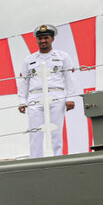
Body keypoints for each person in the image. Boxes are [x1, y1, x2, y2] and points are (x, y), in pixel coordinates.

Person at [19, 24, 78, 159]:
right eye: (40, 38)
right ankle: (36, 159)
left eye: (46, 38)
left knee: (56, 130)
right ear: (37, 40)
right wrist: (22, 101)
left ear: (52, 39)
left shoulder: (63, 56)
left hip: (56, 94)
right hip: (35, 95)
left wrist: (71, 98)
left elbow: (70, 78)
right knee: (35, 131)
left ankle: (57, 158)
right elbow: (23, 82)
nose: (43, 41)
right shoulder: (29, 59)